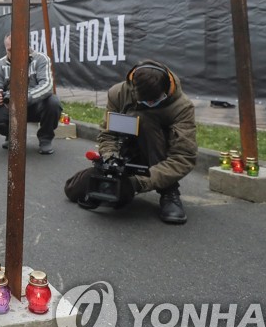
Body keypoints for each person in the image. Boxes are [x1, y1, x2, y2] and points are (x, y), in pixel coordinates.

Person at [63, 61, 197, 224]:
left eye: (156, 100)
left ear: (166, 90)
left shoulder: (182, 107)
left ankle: (169, 191)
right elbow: (108, 135)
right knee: (74, 190)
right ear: (133, 88)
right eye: (145, 102)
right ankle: (115, 181)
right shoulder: (118, 93)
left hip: (158, 153)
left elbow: (183, 157)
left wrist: (139, 182)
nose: (150, 104)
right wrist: (110, 161)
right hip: (126, 153)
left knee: (146, 120)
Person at [0, 34, 61, 155]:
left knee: (53, 102)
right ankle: (13, 136)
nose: (13, 53)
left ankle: (45, 139)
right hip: (11, 108)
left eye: (16, 49)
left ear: (26, 46)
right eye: (9, 50)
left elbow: (47, 86)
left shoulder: (41, 59)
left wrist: (22, 98)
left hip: (35, 105)